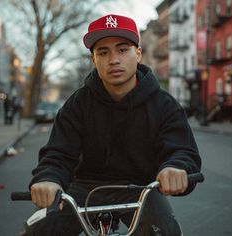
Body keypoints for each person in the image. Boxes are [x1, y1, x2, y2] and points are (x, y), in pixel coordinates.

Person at [22, 14, 202, 236]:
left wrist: (176, 167)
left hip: (140, 189)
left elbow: (181, 150)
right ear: (93, 59)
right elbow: (58, 153)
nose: (113, 59)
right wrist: (48, 178)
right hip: (83, 186)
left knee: (165, 232)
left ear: (138, 53)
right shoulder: (78, 104)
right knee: (36, 230)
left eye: (123, 49)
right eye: (103, 52)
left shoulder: (165, 105)